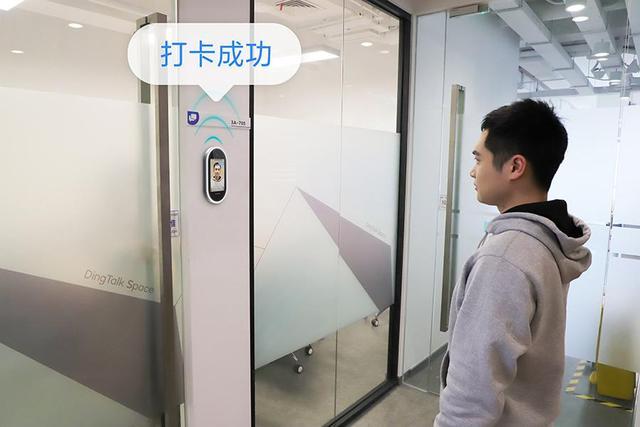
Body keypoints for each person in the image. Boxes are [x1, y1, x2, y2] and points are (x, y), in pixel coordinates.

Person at [434, 99, 592, 427]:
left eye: (478, 158)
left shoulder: (506, 256)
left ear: (515, 167)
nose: (472, 171)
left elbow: (472, 392)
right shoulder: (547, 239)